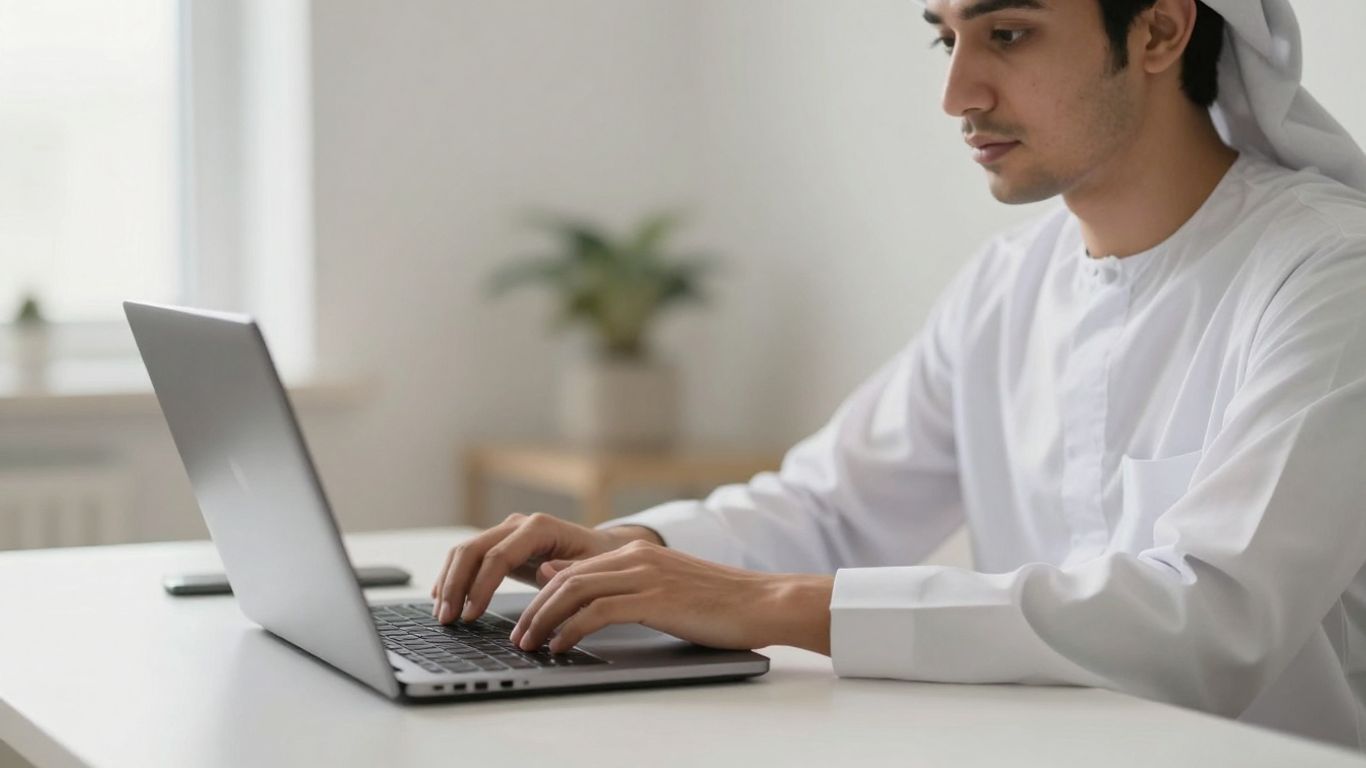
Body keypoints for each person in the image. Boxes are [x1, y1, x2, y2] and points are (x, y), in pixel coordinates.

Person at [432, 0, 1366, 749]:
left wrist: (769, 603)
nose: (958, 93)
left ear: (1161, 29)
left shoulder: (1329, 271)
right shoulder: (1009, 282)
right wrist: (626, 552)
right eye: (945, 38)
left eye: (1007, 33)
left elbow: (1211, 621)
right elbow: (830, 507)